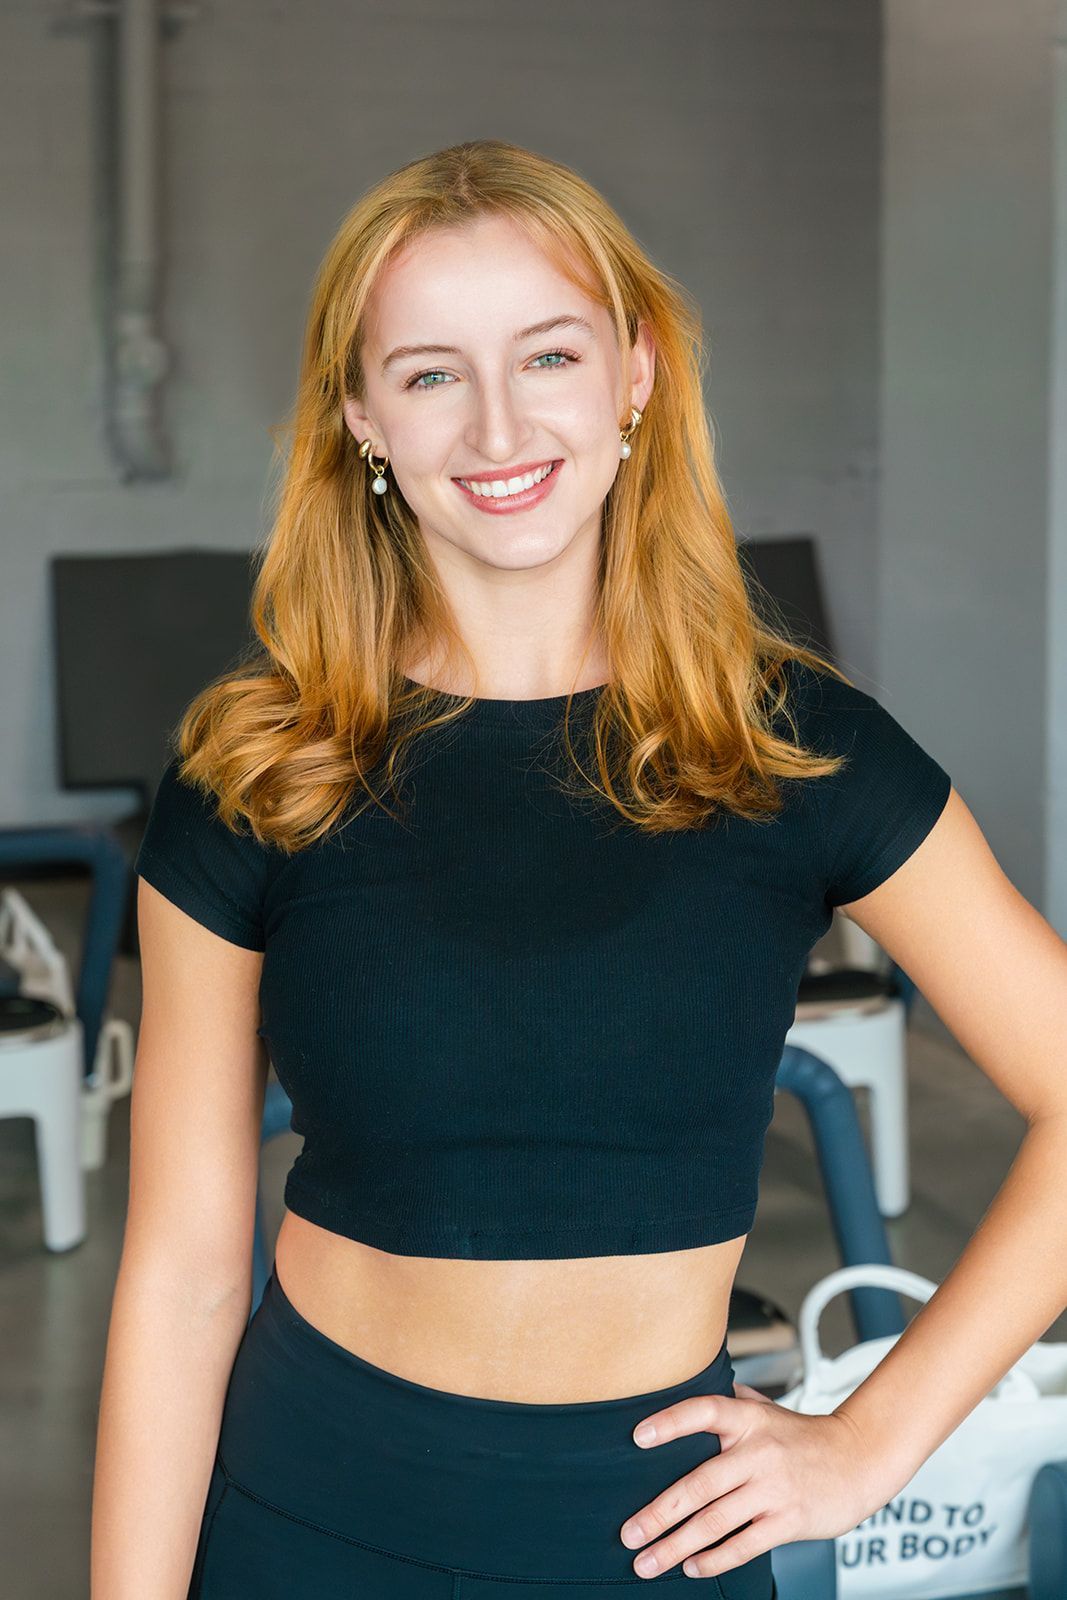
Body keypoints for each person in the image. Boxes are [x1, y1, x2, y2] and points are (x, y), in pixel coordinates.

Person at [90, 139, 1064, 1600]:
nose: (496, 425)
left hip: (657, 1538)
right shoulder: (258, 771)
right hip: (307, 1510)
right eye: (428, 374)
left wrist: (873, 1441)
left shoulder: (791, 748)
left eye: (547, 355)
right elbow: (180, 1279)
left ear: (636, 373)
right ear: (361, 417)